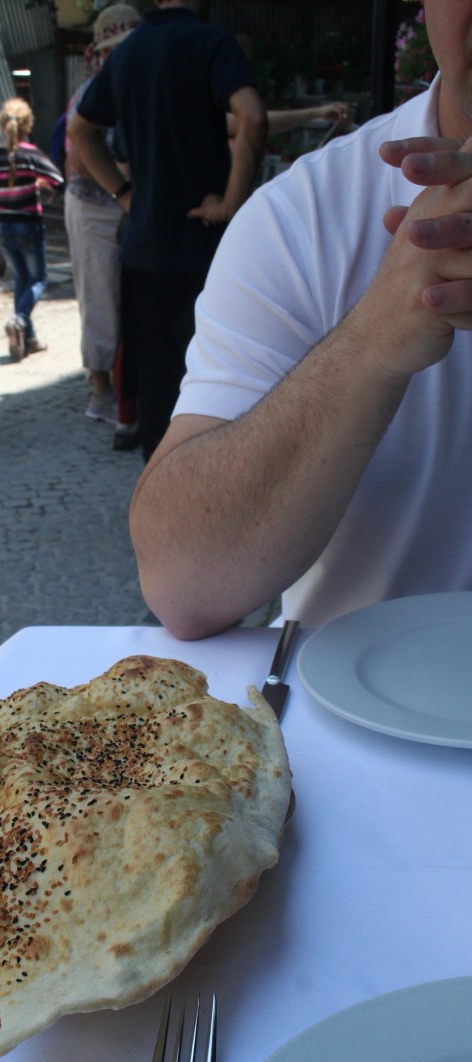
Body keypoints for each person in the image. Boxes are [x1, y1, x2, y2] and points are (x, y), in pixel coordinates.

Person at [129, 0, 472, 636]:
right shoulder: (306, 216)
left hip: (151, 238)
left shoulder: (138, 51)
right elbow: (182, 581)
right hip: (357, 722)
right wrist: (374, 339)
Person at [69, 0, 267, 462]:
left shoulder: (129, 50)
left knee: (157, 375)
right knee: (216, 370)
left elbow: (81, 130)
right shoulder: (210, 42)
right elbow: (253, 117)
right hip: (202, 245)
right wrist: (232, 202)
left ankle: (160, 486)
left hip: (143, 246)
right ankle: (218, 479)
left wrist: (123, 193)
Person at [65, 3, 141, 427]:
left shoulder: (143, 84)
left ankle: (129, 387)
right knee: (100, 296)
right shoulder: (91, 92)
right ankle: (100, 388)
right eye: (115, 49)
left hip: (130, 207)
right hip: (96, 206)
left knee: (130, 301)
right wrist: (131, 174)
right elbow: (79, 160)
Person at [0, 98, 64, 362]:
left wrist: (4, 196)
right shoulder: (32, 155)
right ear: (28, 125)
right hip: (30, 225)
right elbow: (60, 182)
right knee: (38, 280)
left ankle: (28, 338)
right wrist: (38, 185)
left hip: (5, 226)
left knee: (21, 280)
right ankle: (19, 319)